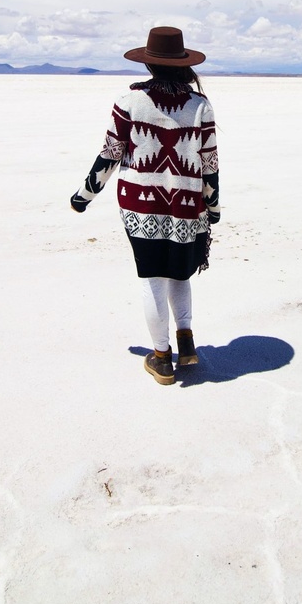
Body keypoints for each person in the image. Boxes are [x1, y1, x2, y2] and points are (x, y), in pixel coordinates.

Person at [70, 26, 220, 385]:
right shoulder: (200, 105)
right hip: (186, 205)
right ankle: (186, 346)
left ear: (149, 64)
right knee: (180, 274)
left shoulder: (129, 101)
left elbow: (110, 154)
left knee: (153, 279)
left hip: (141, 206)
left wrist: (84, 196)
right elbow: (209, 163)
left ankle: (161, 357)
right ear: (182, 63)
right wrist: (212, 208)